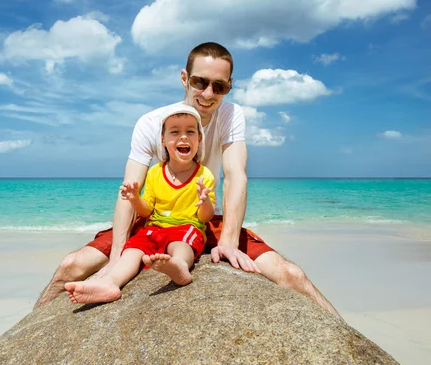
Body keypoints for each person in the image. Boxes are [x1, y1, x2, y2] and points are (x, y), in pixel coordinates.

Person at [35, 42, 341, 318]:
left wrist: (230, 242)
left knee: (291, 274)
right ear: (185, 78)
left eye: (219, 87)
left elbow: (236, 176)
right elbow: (130, 189)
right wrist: (115, 255)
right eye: (200, 82)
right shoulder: (152, 123)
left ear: (229, 87)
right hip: (157, 221)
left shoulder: (231, 116)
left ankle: (350, 343)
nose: (208, 94)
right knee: (70, 266)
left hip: (203, 218)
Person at [65, 105, 215, 304]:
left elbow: (205, 217)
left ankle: (179, 267)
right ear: (162, 140)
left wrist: (204, 202)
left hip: (186, 227)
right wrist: (135, 198)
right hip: (154, 227)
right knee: (132, 249)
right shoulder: (155, 172)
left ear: (200, 138)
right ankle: (110, 283)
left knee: (182, 244)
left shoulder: (204, 175)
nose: (184, 137)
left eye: (190, 131)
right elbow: (147, 210)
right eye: (175, 131)